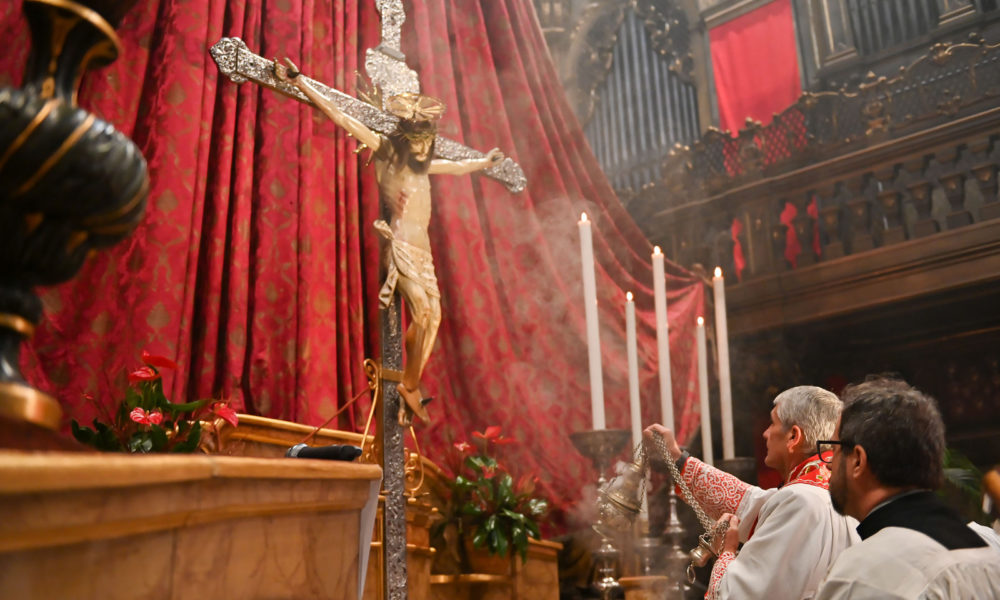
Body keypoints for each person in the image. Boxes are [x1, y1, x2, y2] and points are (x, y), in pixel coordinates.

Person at [275, 59, 503, 423]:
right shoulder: (385, 152)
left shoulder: (424, 167)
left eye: (426, 142)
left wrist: (484, 162)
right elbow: (342, 117)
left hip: (424, 253)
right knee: (423, 312)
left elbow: (459, 168)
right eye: (415, 141)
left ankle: (411, 383)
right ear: (403, 138)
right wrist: (301, 82)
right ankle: (409, 386)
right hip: (399, 244)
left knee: (434, 318)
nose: (421, 149)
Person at [645, 385, 858, 599]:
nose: (765, 433)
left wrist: (726, 553)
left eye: (772, 423)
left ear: (794, 436)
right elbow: (750, 504)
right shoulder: (838, 494)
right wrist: (678, 460)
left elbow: (739, 594)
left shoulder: (798, 499)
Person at [815, 377, 1000, 599]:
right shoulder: (990, 547)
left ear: (857, 460)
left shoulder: (864, 573)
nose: (828, 464)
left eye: (834, 449)